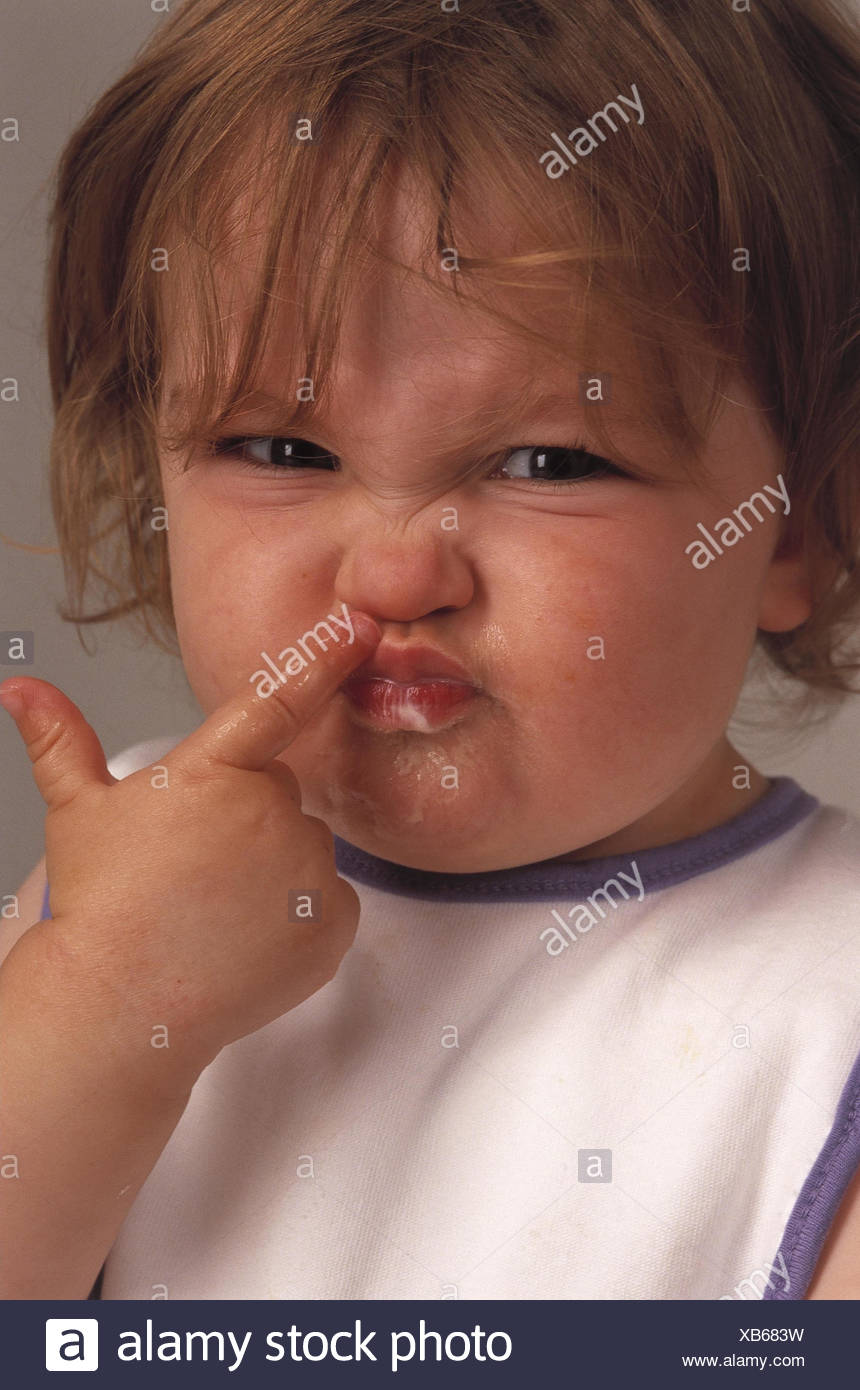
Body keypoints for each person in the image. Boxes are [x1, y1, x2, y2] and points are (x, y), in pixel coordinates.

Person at [1, 0, 859, 1300]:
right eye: (283, 451)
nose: (399, 569)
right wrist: (107, 1005)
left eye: (548, 461)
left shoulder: (823, 996)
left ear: (806, 522)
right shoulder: (114, 900)